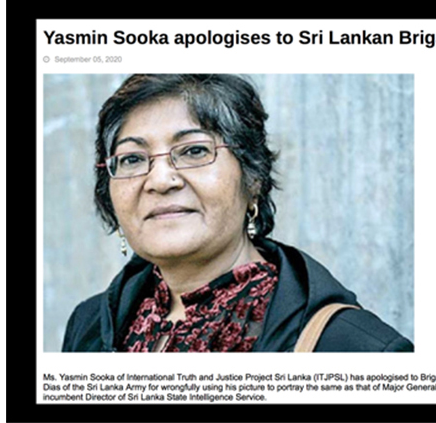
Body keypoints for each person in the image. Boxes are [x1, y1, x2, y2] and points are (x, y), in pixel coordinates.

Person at [62, 74, 413, 352]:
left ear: (253, 178)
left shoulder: (355, 350)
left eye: (194, 151)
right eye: (133, 159)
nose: (160, 180)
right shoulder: (89, 325)